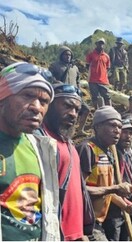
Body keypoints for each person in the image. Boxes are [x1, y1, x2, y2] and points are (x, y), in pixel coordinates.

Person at [0, 62, 60, 240]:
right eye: (27, 96)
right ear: (3, 97)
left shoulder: (43, 149)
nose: (37, 107)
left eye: (44, 101)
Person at [77, 106, 132, 240]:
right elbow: (78, 190)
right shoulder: (87, 150)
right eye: (112, 125)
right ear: (98, 126)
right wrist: (115, 188)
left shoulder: (109, 154)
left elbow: (109, 192)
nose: (117, 131)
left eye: (119, 127)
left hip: (98, 222)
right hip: (84, 223)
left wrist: (127, 207)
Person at [38, 83, 90, 240]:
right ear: (49, 105)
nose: (73, 114)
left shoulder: (68, 143)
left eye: (77, 110)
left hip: (74, 234)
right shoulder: (40, 141)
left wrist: (81, 230)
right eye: (67, 106)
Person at [49, 45, 90, 135]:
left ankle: (80, 130)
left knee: (86, 109)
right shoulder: (55, 66)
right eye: (65, 55)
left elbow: (78, 80)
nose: (68, 56)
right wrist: (58, 85)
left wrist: (79, 91)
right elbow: (50, 79)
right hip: (61, 95)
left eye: (69, 55)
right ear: (61, 55)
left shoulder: (74, 68)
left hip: (75, 95)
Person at [86, 38, 112, 108]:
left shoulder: (106, 56)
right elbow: (87, 66)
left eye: (102, 43)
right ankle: (97, 112)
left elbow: (108, 67)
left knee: (107, 97)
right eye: (99, 43)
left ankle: (110, 112)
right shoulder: (91, 55)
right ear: (96, 44)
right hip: (92, 80)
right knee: (95, 97)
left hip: (103, 81)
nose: (101, 45)